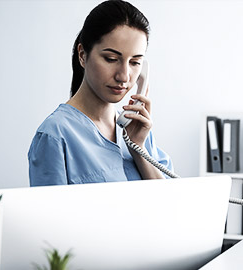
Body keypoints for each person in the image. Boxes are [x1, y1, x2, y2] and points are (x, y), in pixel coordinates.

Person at [28, 0, 173, 186]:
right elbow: (47, 214)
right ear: (82, 55)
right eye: (111, 59)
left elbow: (169, 204)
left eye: (135, 62)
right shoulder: (54, 136)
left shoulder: (137, 131)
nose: (124, 76)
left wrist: (138, 149)